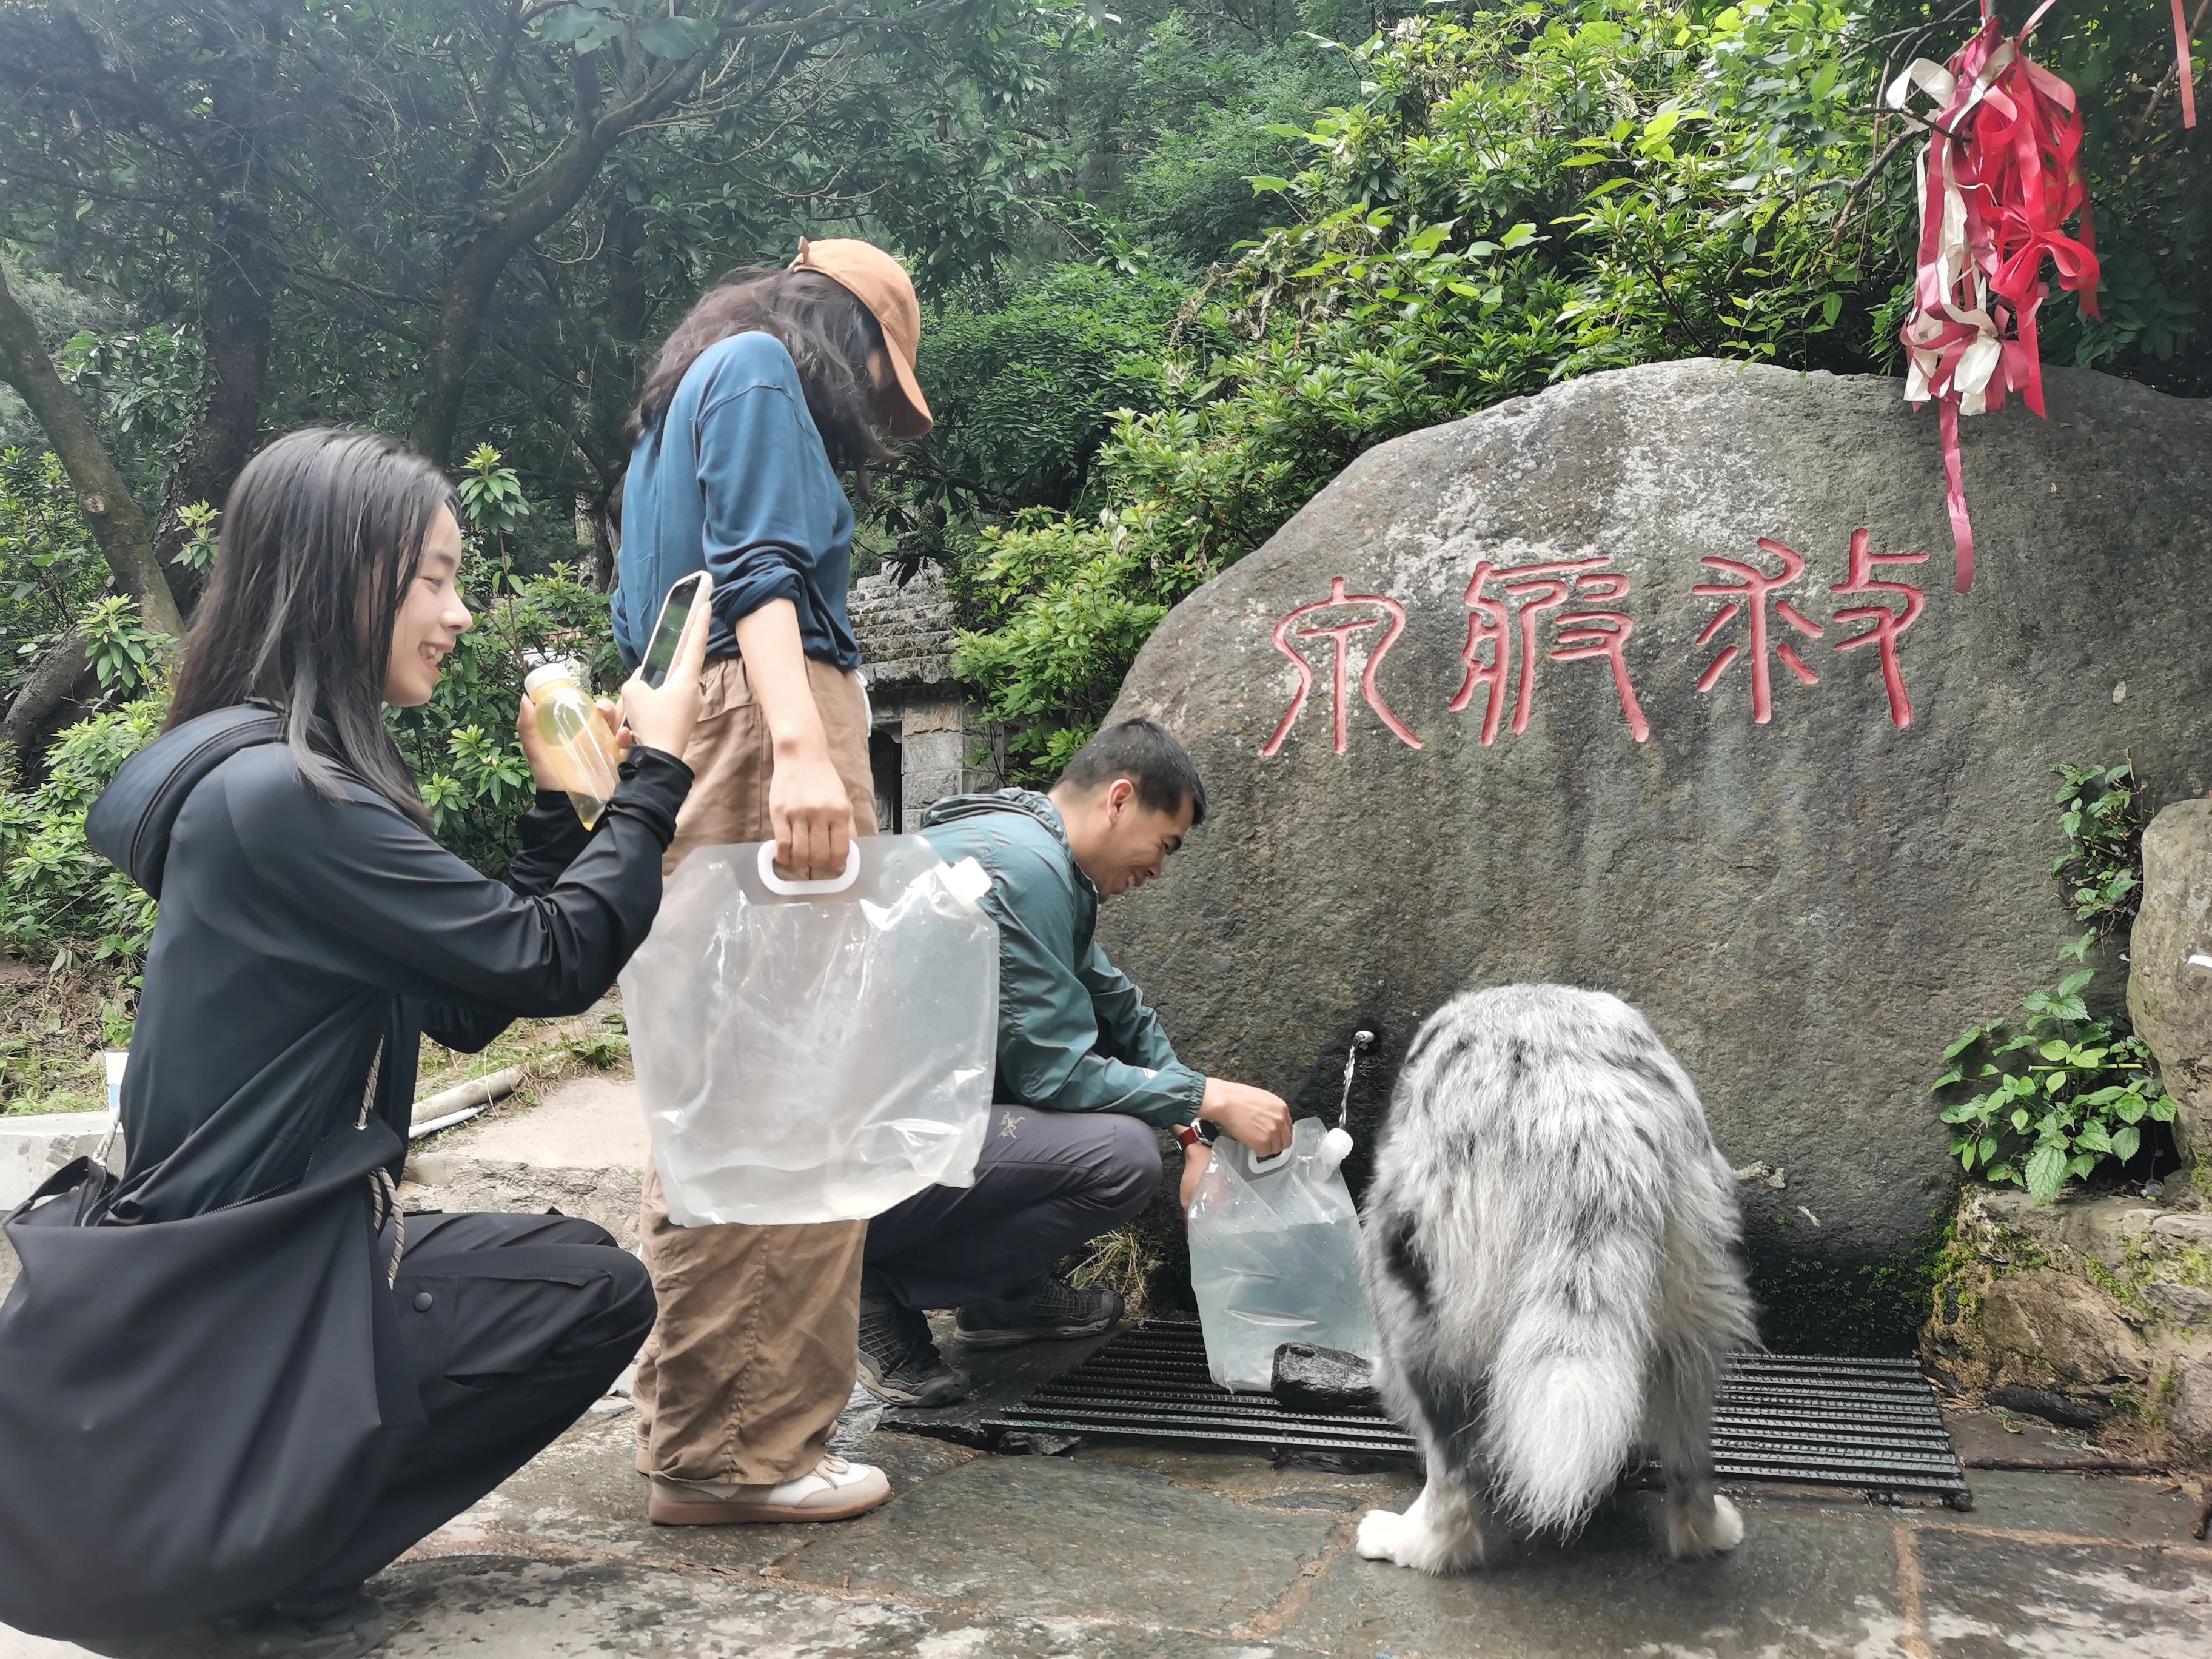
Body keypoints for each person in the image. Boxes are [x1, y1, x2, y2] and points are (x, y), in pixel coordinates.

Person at [32, 427, 709, 1658]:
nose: (457, 613)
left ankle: (258, 1533)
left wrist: (569, 799)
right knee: (589, 1292)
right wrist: (655, 773)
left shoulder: (264, 773)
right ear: (343, 572)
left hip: (235, 1251)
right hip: (252, 1279)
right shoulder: (288, 797)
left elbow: (466, 996)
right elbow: (551, 962)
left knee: (558, 1264)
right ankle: (262, 1563)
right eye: (435, 578)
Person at [613, 238, 931, 1527]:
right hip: (762, 732)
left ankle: (707, 1436)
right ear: (842, 334)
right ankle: (744, 1453)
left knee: (719, 1090)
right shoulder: (756, 373)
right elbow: (764, 569)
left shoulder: (678, 408)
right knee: (789, 1091)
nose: (869, 403)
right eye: (877, 372)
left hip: (698, 736)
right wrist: (804, 749)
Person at [855, 718, 1294, 1405]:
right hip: (847, 1158)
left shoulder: (1031, 853)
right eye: (1164, 845)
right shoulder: (1020, 869)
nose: (1156, 871)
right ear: (1119, 800)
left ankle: (1001, 1296)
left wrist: (1193, 1137)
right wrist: (1208, 1097)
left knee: (1107, 1119)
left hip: (894, 1122)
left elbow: (1120, 1008)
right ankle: (866, 1287)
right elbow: (1053, 1074)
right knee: (1117, 1157)